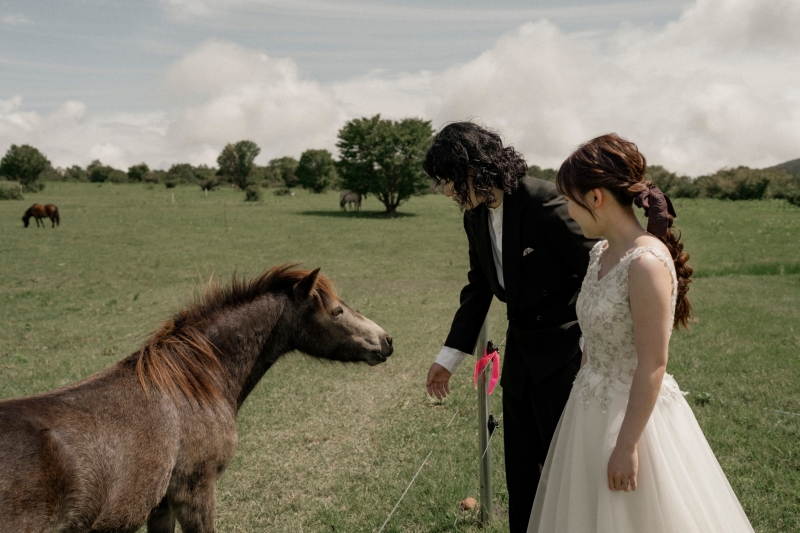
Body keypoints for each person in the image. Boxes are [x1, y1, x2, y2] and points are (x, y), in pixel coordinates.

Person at [527, 133, 755, 532]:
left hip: (633, 419)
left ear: (595, 197)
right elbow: (593, 337)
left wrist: (627, 446)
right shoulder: (600, 253)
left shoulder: (645, 263)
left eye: (569, 199)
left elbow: (653, 361)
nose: (567, 209)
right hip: (587, 407)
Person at [422, 122, 597, 533]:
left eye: (449, 180)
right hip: (519, 356)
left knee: (567, 467)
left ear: (475, 169)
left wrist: (591, 341)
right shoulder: (474, 218)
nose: (447, 191)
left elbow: (596, 268)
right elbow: (479, 287)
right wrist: (449, 358)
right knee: (521, 472)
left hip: (568, 355)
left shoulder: (542, 200)